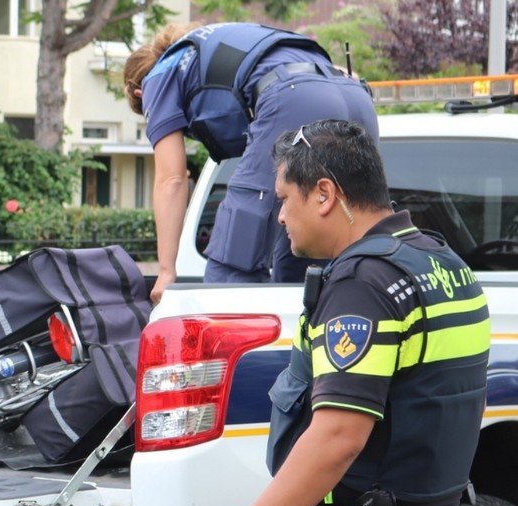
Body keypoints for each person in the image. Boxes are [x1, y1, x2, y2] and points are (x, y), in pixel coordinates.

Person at [192, 119, 489, 506]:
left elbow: (337, 438)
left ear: (324, 193)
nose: (279, 218)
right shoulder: (445, 264)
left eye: (284, 199)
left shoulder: (362, 284)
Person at [123, 23, 379, 304]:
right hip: (356, 97)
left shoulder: (159, 77)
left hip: (293, 96)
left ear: (139, 95)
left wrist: (165, 271)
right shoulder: (209, 45)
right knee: (306, 253)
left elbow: (171, 179)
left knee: (233, 262)